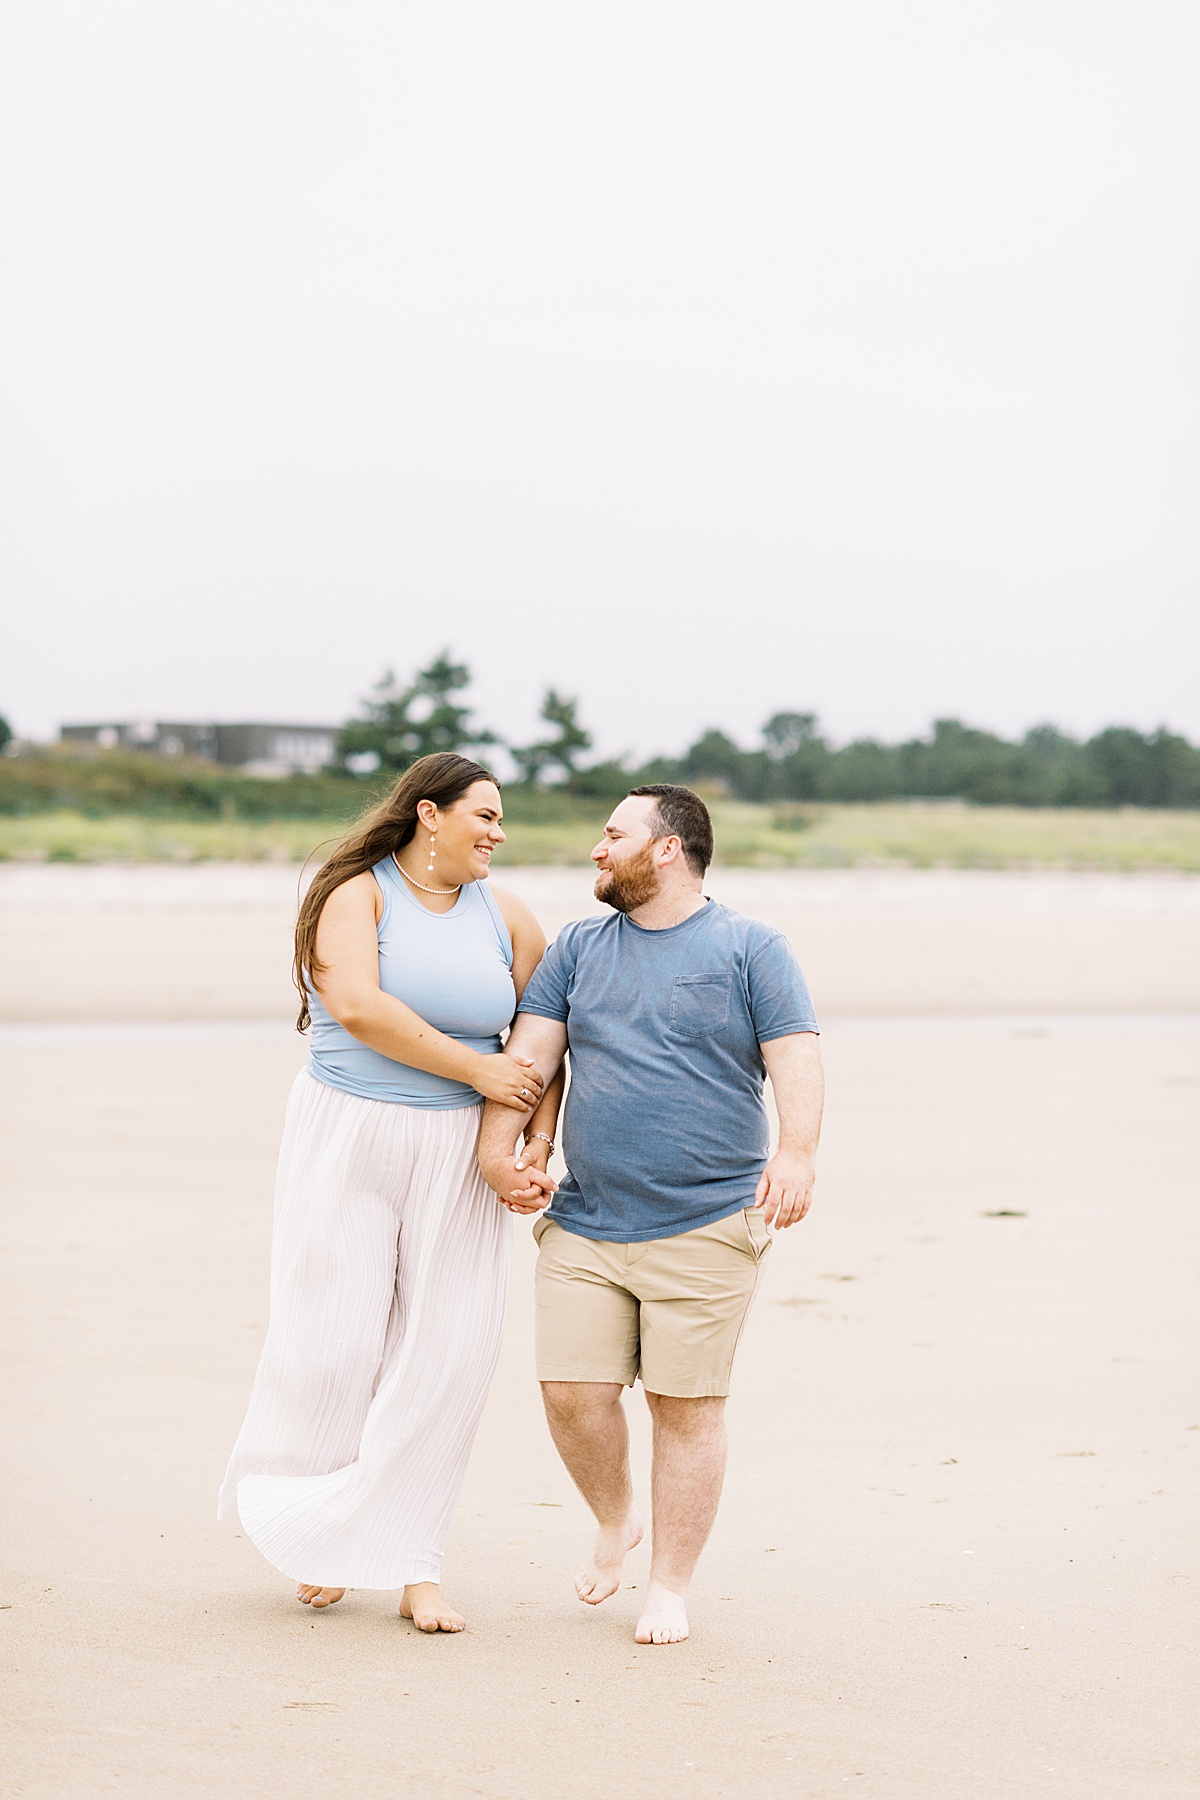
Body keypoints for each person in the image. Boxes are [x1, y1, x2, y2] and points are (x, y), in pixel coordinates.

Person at [219, 752, 561, 1633]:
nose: (498, 831)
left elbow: (549, 1034)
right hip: (350, 1132)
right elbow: (361, 1009)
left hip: (458, 1149)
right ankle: (321, 1531)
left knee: (447, 1351)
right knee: (333, 1340)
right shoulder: (357, 895)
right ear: (428, 816)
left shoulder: (509, 915)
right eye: (483, 813)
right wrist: (480, 1068)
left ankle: (413, 1559)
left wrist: (529, 1137)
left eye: (501, 817)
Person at [478, 783, 823, 1645]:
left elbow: (795, 1054)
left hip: (708, 1219)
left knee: (685, 1405)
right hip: (588, 1219)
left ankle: (669, 1585)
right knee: (571, 1393)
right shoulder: (580, 947)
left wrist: (798, 1151)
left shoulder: (750, 947)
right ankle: (613, 1516)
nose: (597, 849)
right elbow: (529, 1054)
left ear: (666, 848)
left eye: (612, 834)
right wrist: (506, 1146)